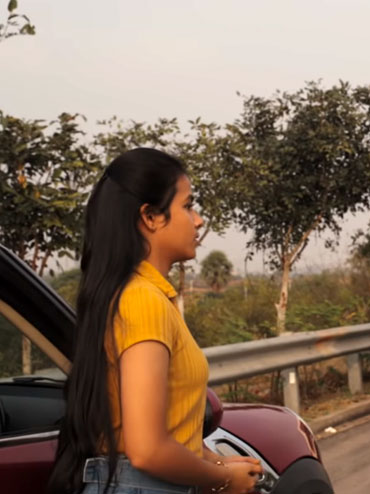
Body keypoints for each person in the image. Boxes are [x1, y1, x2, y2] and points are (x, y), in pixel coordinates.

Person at [48, 148, 262, 494]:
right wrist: (223, 480)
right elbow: (147, 450)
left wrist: (219, 463)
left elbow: (168, 431)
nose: (198, 221)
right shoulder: (142, 301)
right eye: (188, 206)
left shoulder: (139, 296)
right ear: (150, 217)